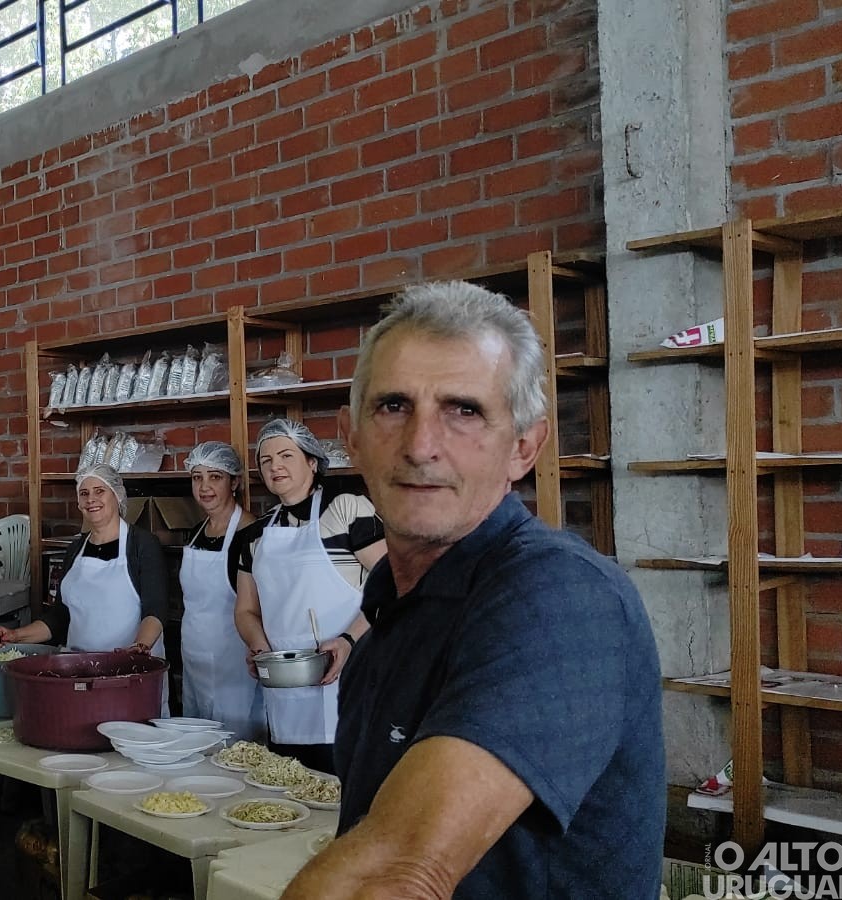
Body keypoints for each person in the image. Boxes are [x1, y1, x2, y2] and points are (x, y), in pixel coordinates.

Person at [281, 282, 664, 898]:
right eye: (393, 406)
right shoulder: (386, 623)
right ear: (349, 438)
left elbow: (399, 875)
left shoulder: (561, 597)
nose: (421, 446)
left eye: (464, 410)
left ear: (523, 449)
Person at [231, 418, 386, 774]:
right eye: (266, 460)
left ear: (312, 463)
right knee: (291, 792)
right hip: (285, 690)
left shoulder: (346, 509)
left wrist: (347, 640)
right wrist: (258, 646)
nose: (276, 466)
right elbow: (246, 610)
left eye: (286, 455)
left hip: (349, 679)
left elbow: (392, 584)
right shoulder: (255, 535)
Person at [0, 465, 169, 703]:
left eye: (100, 491)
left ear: (116, 496)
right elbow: (61, 617)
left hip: (129, 673)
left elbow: (156, 609)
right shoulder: (75, 549)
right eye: (84, 493)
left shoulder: (142, 545)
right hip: (79, 674)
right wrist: (16, 635)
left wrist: (139, 648)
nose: (91, 499)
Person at [176, 442, 263, 739]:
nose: (204, 486)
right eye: (197, 477)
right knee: (197, 743)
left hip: (235, 663)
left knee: (234, 746)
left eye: (215, 477)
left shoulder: (250, 533)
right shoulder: (198, 531)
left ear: (235, 481)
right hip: (194, 657)